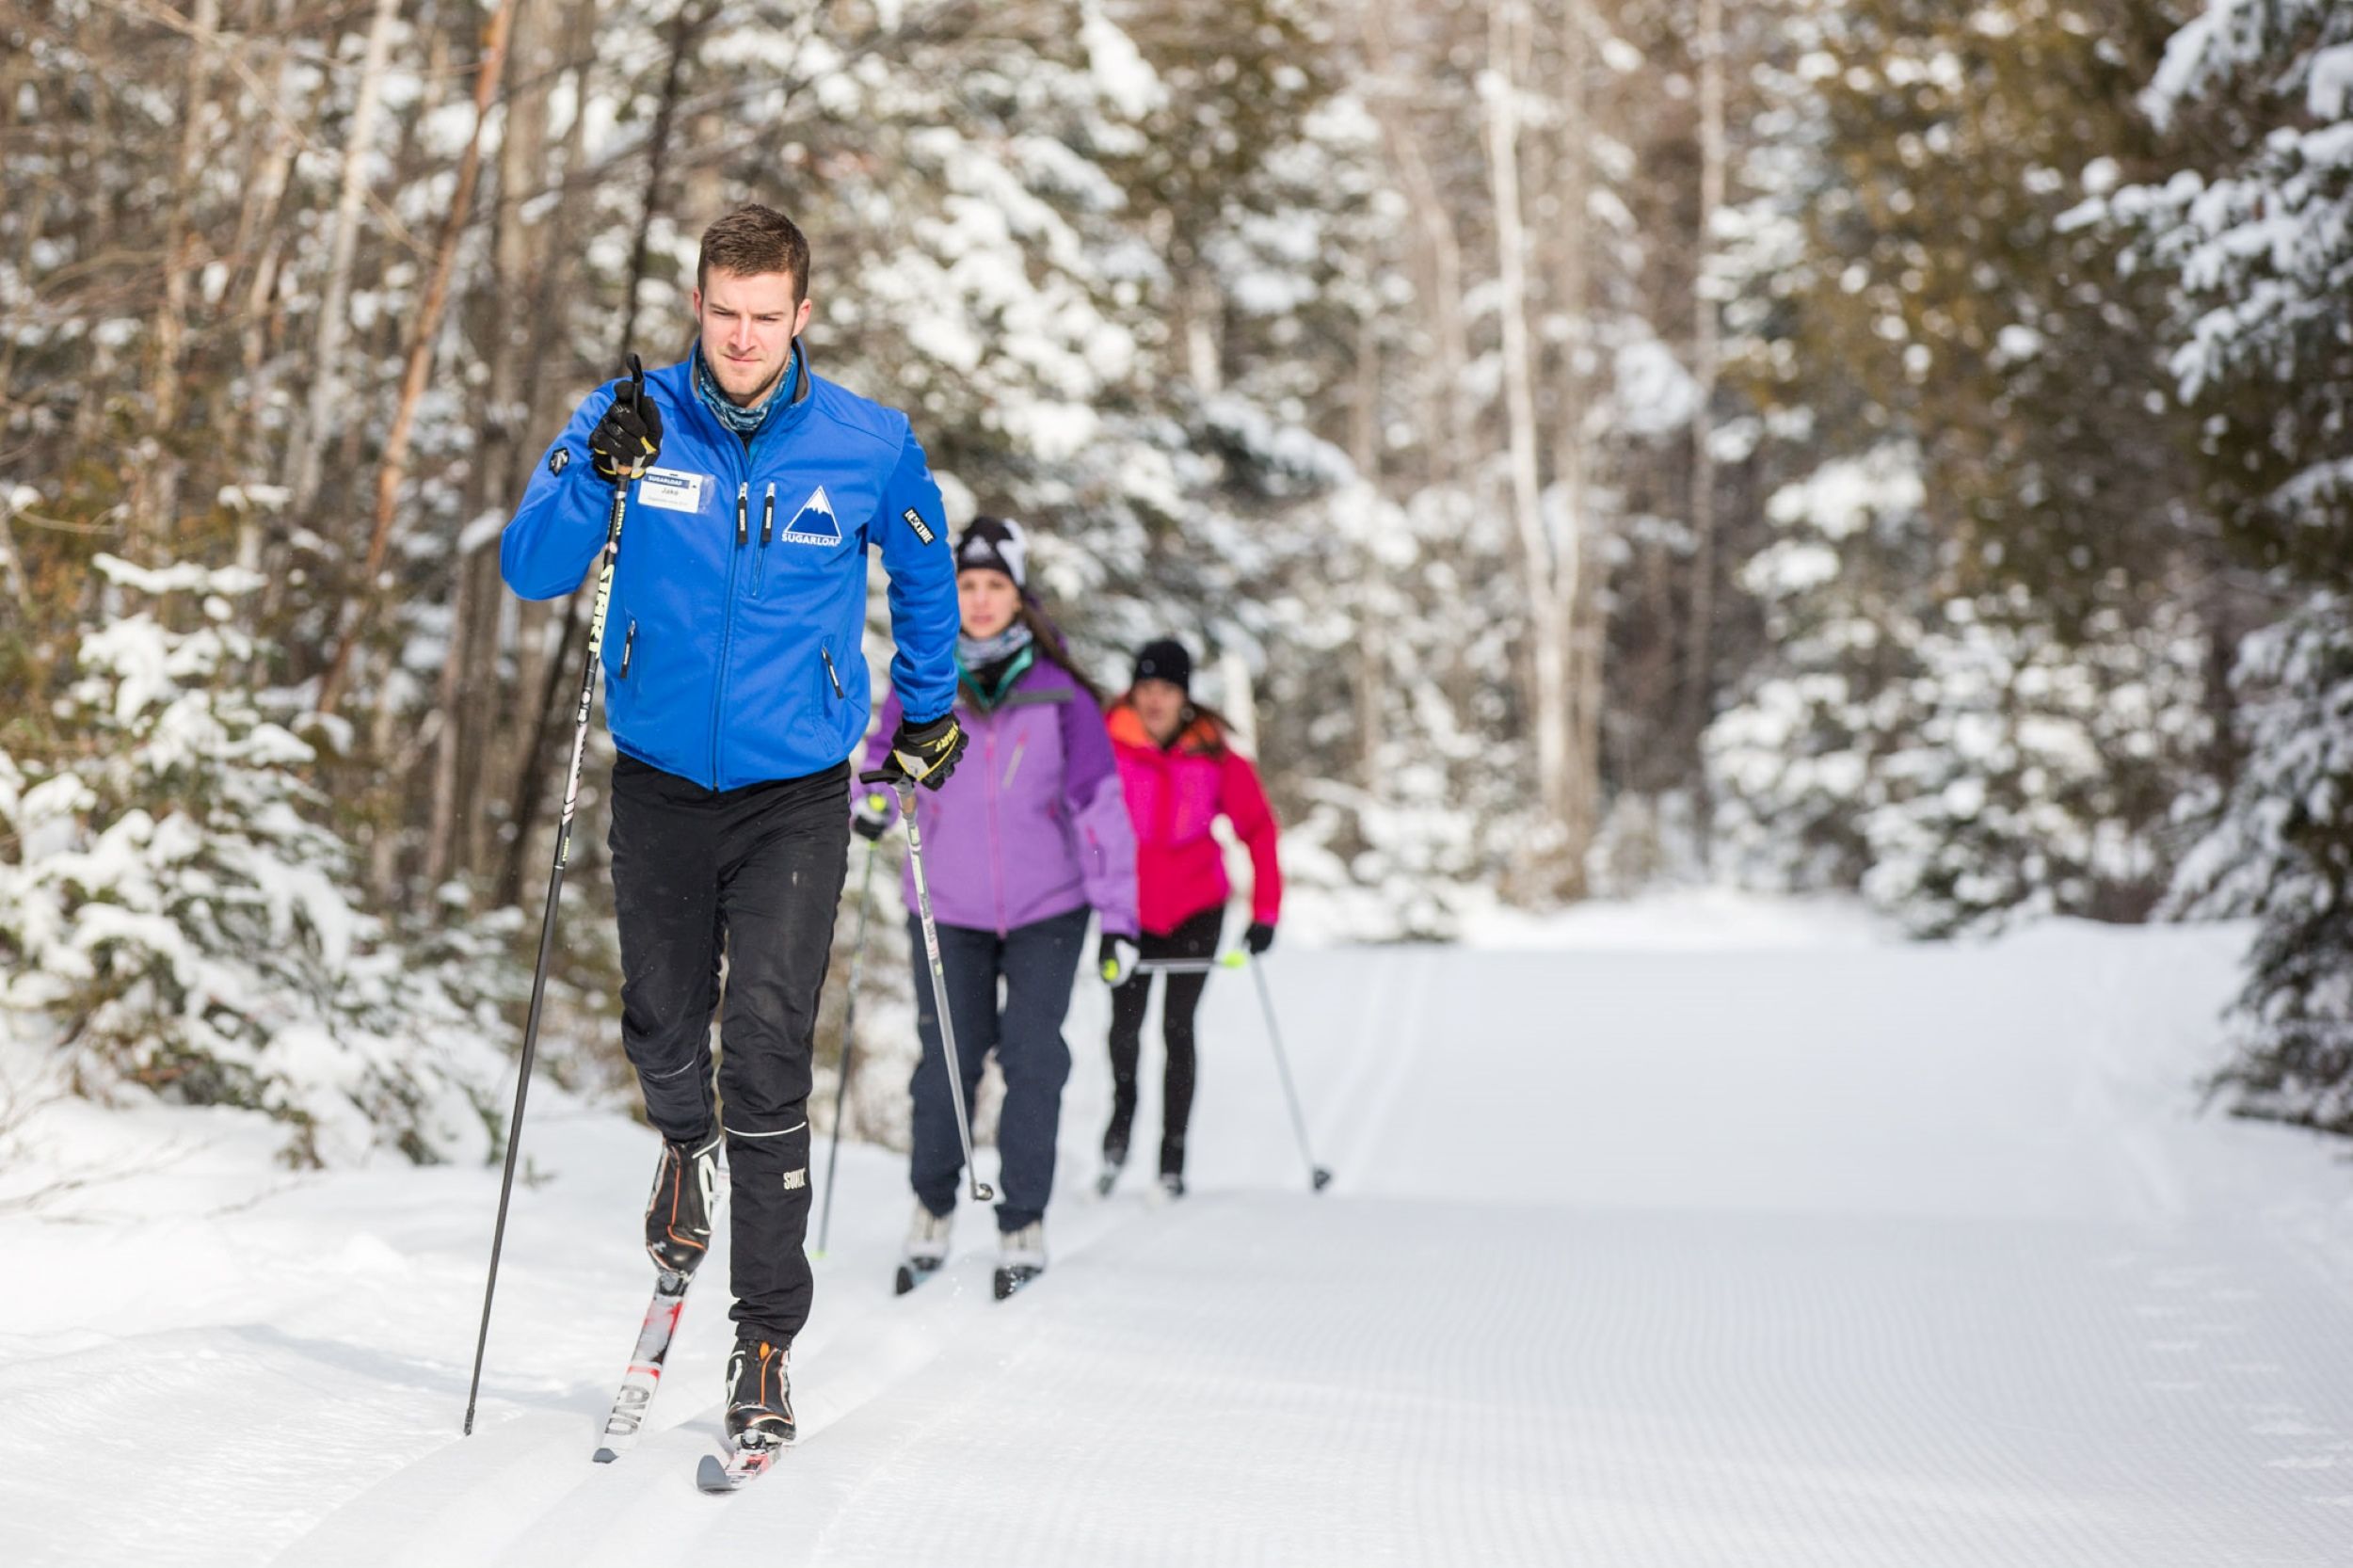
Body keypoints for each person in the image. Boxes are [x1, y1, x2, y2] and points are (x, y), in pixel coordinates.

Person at [498, 202, 967, 1454]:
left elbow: (925, 571)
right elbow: (533, 569)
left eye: (767, 317)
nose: (743, 337)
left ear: (801, 315)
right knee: (659, 1020)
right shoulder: (635, 417)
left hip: (795, 793)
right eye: (724, 314)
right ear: (696, 307)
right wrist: (595, 466)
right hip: (657, 779)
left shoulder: (868, 444)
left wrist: (928, 707)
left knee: (766, 1042)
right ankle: (679, 1145)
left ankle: (764, 1340)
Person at [857, 517, 1139, 1299]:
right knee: (948, 1057)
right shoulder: (926, 678)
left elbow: (1102, 811)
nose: (980, 602)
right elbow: (883, 761)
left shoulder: (1062, 695)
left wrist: (1120, 918)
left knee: (1033, 1057)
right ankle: (932, 1209)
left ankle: (1022, 1218)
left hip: (1050, 903)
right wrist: (875, 801)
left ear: (1019, 598)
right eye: (968, 587)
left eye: (995, 588)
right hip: (946, 902)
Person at [1099, 639, 1282, 1198]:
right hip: (1126, 912)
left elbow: (1258, 829)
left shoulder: (1213, 753)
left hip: (1197, 910)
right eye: (1146, 688)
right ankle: (1120, 1129)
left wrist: (1265, 911)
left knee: (1178, 1031)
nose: (1155, 700)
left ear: (1185, 695)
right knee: (1124, 1031)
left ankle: (1172, 1157)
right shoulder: (1106, 743)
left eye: (1168, 690)